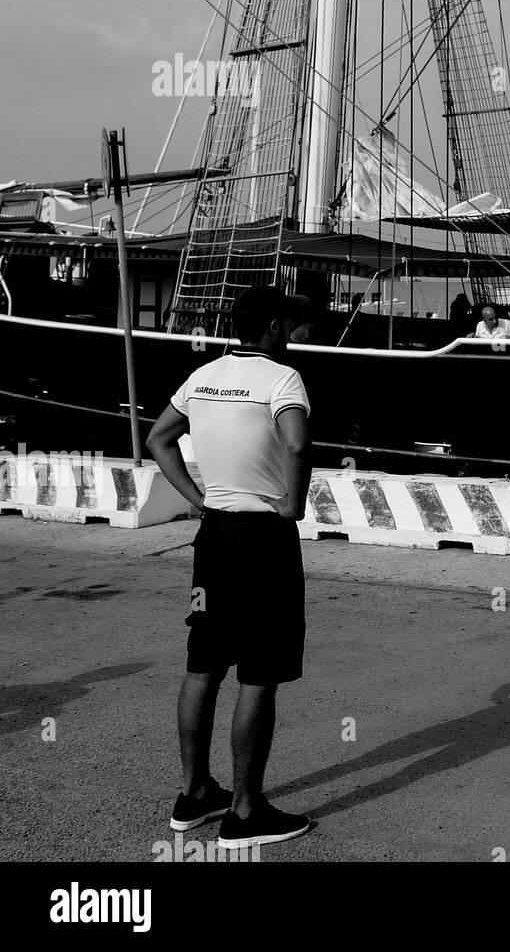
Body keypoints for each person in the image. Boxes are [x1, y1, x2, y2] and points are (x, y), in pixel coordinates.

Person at [145, 284, 314, 850]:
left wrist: (196, 496)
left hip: (212, 536)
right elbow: (295, 443)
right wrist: (293, 503)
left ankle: (194, 792)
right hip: (264, 539)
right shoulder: (282, 379)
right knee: (260, 674)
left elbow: (158, 438)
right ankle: (245, 813)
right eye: (289, 321)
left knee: (204, 666)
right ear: (271, 325)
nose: (294, 331)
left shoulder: (202, 377)